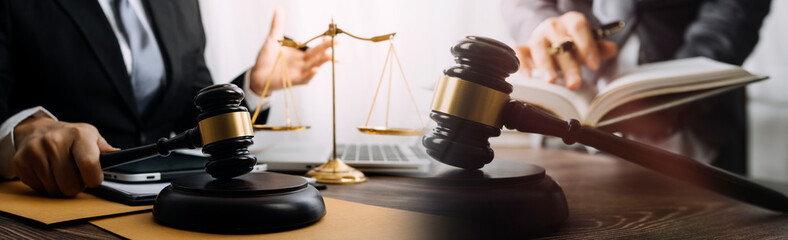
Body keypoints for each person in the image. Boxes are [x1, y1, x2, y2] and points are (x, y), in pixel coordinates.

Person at [0, 1, 332, 197]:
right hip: (66, 197)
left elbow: (190, 113)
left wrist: (256, 88)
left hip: (165, 197)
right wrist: (24, 129)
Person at [501, 0, 771, 174]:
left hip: (697, 130)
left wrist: (679, 88)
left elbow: (736, 7)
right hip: (566, 113)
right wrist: (540, 26)